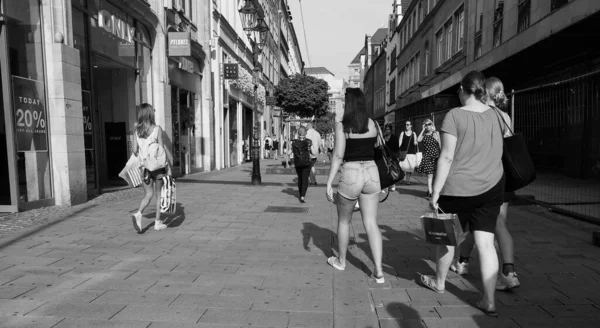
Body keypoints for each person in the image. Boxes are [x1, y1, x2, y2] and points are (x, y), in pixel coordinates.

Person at [422, 71, 505, 318]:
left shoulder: (454, 116)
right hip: (492, 186)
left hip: (458, 189)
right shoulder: (498, 116)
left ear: (462, 89)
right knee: (486, 244)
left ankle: (439, 282)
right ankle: (489, 301)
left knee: (448, 239)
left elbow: (446, 156)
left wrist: (435, 191)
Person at [449, 77, 521, 291]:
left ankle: (467, 263)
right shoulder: (505, 116)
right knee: (496, 225)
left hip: (486, 177)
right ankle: (506, 270)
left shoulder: (482, 114)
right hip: (505, 178)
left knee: (478, 225)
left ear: (484, 93)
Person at [326, 88, 384, 284]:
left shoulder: (342, 126)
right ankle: (378, 270)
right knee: (371, 223)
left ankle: (341, 261)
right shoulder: (374, 124)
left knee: (344, 221)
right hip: (372, 173)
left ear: (348, 104)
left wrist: (329, 181)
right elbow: (377, 150)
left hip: (351, 173)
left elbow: (339, 155)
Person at [131, 103, 172, 233]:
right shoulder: (157, 129)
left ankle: (138, 213)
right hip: (157, 167)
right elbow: (161, 150)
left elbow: (134, 150)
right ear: (150, 114)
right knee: (159, 195)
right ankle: (157, 223)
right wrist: (168, 168)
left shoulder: (137, 131)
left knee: (148, 194)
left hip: (144, 168)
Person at [416, 119, 441, 198]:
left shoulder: (436, 133)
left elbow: (440, 145)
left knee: (435, 175)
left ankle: (432, 189)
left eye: (429, 124)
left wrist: (441, 156)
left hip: (436, 156)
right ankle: (430, 192)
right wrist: (422, 130)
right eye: (426, 125)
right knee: (429, 174)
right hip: (427, 157)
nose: (428, 126)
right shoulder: (423, 135)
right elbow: (418, 140)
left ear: (432, 125)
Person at [291, 127, 313, 203]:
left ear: (298, 133)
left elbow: (292, 152)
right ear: (305, 133)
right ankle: (302, 196)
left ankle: (301, 193)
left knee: (300, 178)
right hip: (306, 162)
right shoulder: (309, 141)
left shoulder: (294, 142)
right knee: (305, 179)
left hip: (298, 163)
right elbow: (312, 152)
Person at [398, 120, 418, 184]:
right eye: (406, 124)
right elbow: (400, 142)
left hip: (411, 153)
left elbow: (415, 142)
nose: (406, 126)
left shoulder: (413, 133)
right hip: (403, 152)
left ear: (411, 126)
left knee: (409, 168)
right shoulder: (402, 133)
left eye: (408, 124)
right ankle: (401, 178)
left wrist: (415, 142)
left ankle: (408, 180)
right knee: (402, 167)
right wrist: (397, 148)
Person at [383, 124, 400, 192]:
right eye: (386, 129)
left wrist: (397, 156)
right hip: (385, 156)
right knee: (385, 171)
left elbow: (397, 148)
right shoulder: (383, 137)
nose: (387, 131)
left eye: (388, 129)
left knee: (393, 170)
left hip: (393, 156)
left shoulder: (395, 138)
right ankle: (385, 186)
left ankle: (392, 185)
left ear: (391, 130)